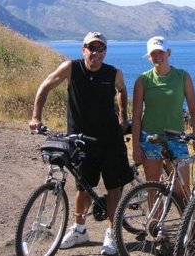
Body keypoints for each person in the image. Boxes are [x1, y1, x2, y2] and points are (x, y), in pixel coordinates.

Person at [29, 31, 134, 255]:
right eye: (92, 48)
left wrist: (123, 117)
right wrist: (36, 117)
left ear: (105, 51)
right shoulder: (71, 68)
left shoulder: (113, 72)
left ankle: (112, 233)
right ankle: (79, 229)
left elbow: (122, 90)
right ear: (83, 49)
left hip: (109, 139)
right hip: (80, 139)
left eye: (101, 49)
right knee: (83, 187)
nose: (96, 53)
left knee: (114, 186)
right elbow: (45, 86)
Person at [132, 36, 195, 199]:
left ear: (168, 53)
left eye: (161, 52)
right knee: (153, 188)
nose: (157, 56)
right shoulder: (143, 80)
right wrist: (136, 147)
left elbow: (194, 109)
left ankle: (185, 224)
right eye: (153, 53)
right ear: (149, 56)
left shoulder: (182, 77)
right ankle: (154, 224)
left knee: (182, 189)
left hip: (176, 138)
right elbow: (136, 116)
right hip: (150, 139)